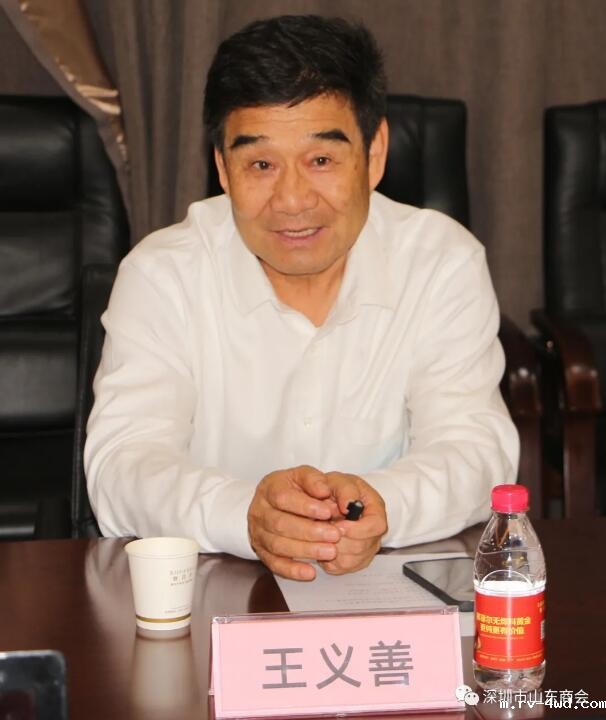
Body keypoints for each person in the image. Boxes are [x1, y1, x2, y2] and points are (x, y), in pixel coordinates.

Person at [85, 15, 519, 581]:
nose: (291, 200)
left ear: (375, 152)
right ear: (222, 168)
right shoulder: (162, 274)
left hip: (387, 595)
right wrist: (246, 514)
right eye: (261, 164)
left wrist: (378, 505)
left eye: (321, 160)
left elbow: (475, 448)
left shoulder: (440, 262)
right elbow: (123, 465)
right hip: (213, 596)